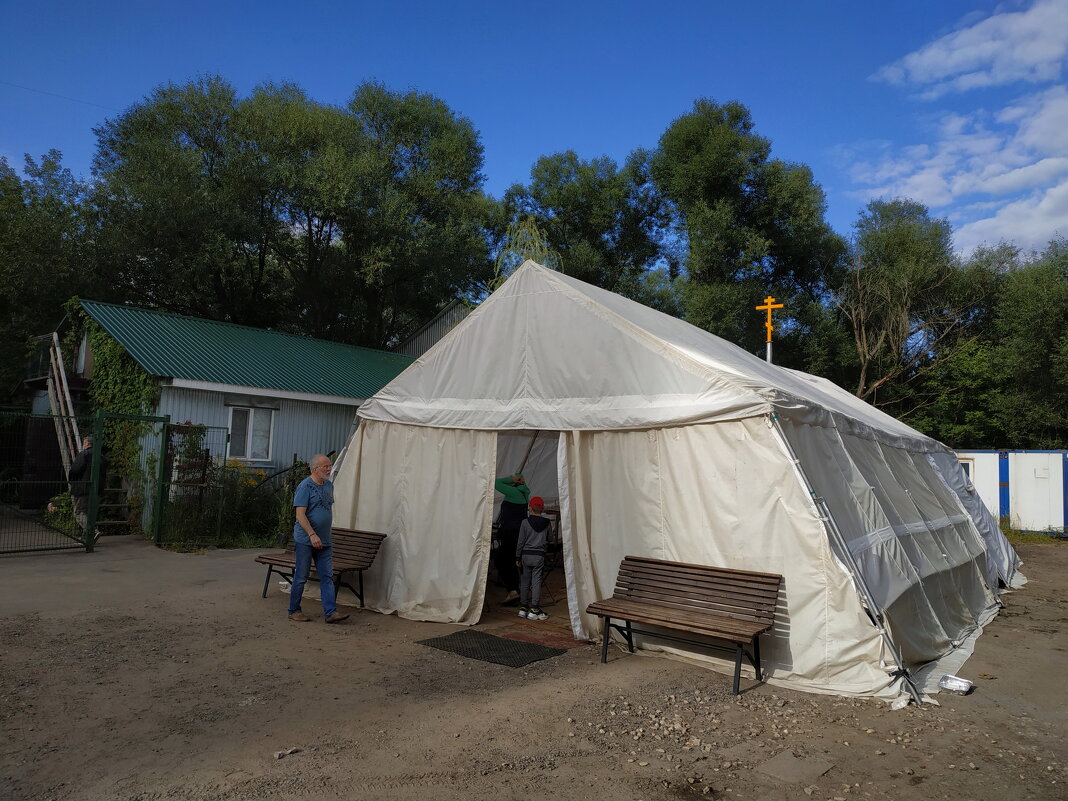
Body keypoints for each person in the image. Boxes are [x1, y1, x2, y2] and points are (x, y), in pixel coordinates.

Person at [288, 454, 349, 624]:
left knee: (327, 576)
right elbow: (300, 515)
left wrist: (322, 534)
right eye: (326, 467)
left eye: (329, 466)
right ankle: (294, 610)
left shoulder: (329, 485)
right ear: (315, 469)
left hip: (325, 540)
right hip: (306, 540)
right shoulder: (305, 487)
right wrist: (312, 534)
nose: (329, 469)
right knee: (301, 576)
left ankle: (330, 612)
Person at [493, 472, 530, 604]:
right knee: (511, 560)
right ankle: (516, 588)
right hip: (520, 532)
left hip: (511, 532)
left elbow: (496, 483)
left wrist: (511, 479)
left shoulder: (514, 493)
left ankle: (513, 590)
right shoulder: (523, 492)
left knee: (502, 560)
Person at [515, 496, 554, 620]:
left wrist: (517, 556)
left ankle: (523, 608)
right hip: (538, 556)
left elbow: (520, 541)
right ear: (542, 509)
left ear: (530, 508)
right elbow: (551, 539)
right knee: (536, 581)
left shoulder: (524, 522)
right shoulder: (547, 523)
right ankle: (534, 609)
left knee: (525, 580)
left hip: (526, 555)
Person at [67, 435, 94, 536]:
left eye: (84, 442)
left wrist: (72, 482)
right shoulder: (100, 456)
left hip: (81, 488)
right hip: (94, 489)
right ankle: (86, 537)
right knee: (88, 513)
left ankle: (92, 531)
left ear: (87, 443)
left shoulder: (84, 454)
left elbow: (75, 470)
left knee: (79, 512)